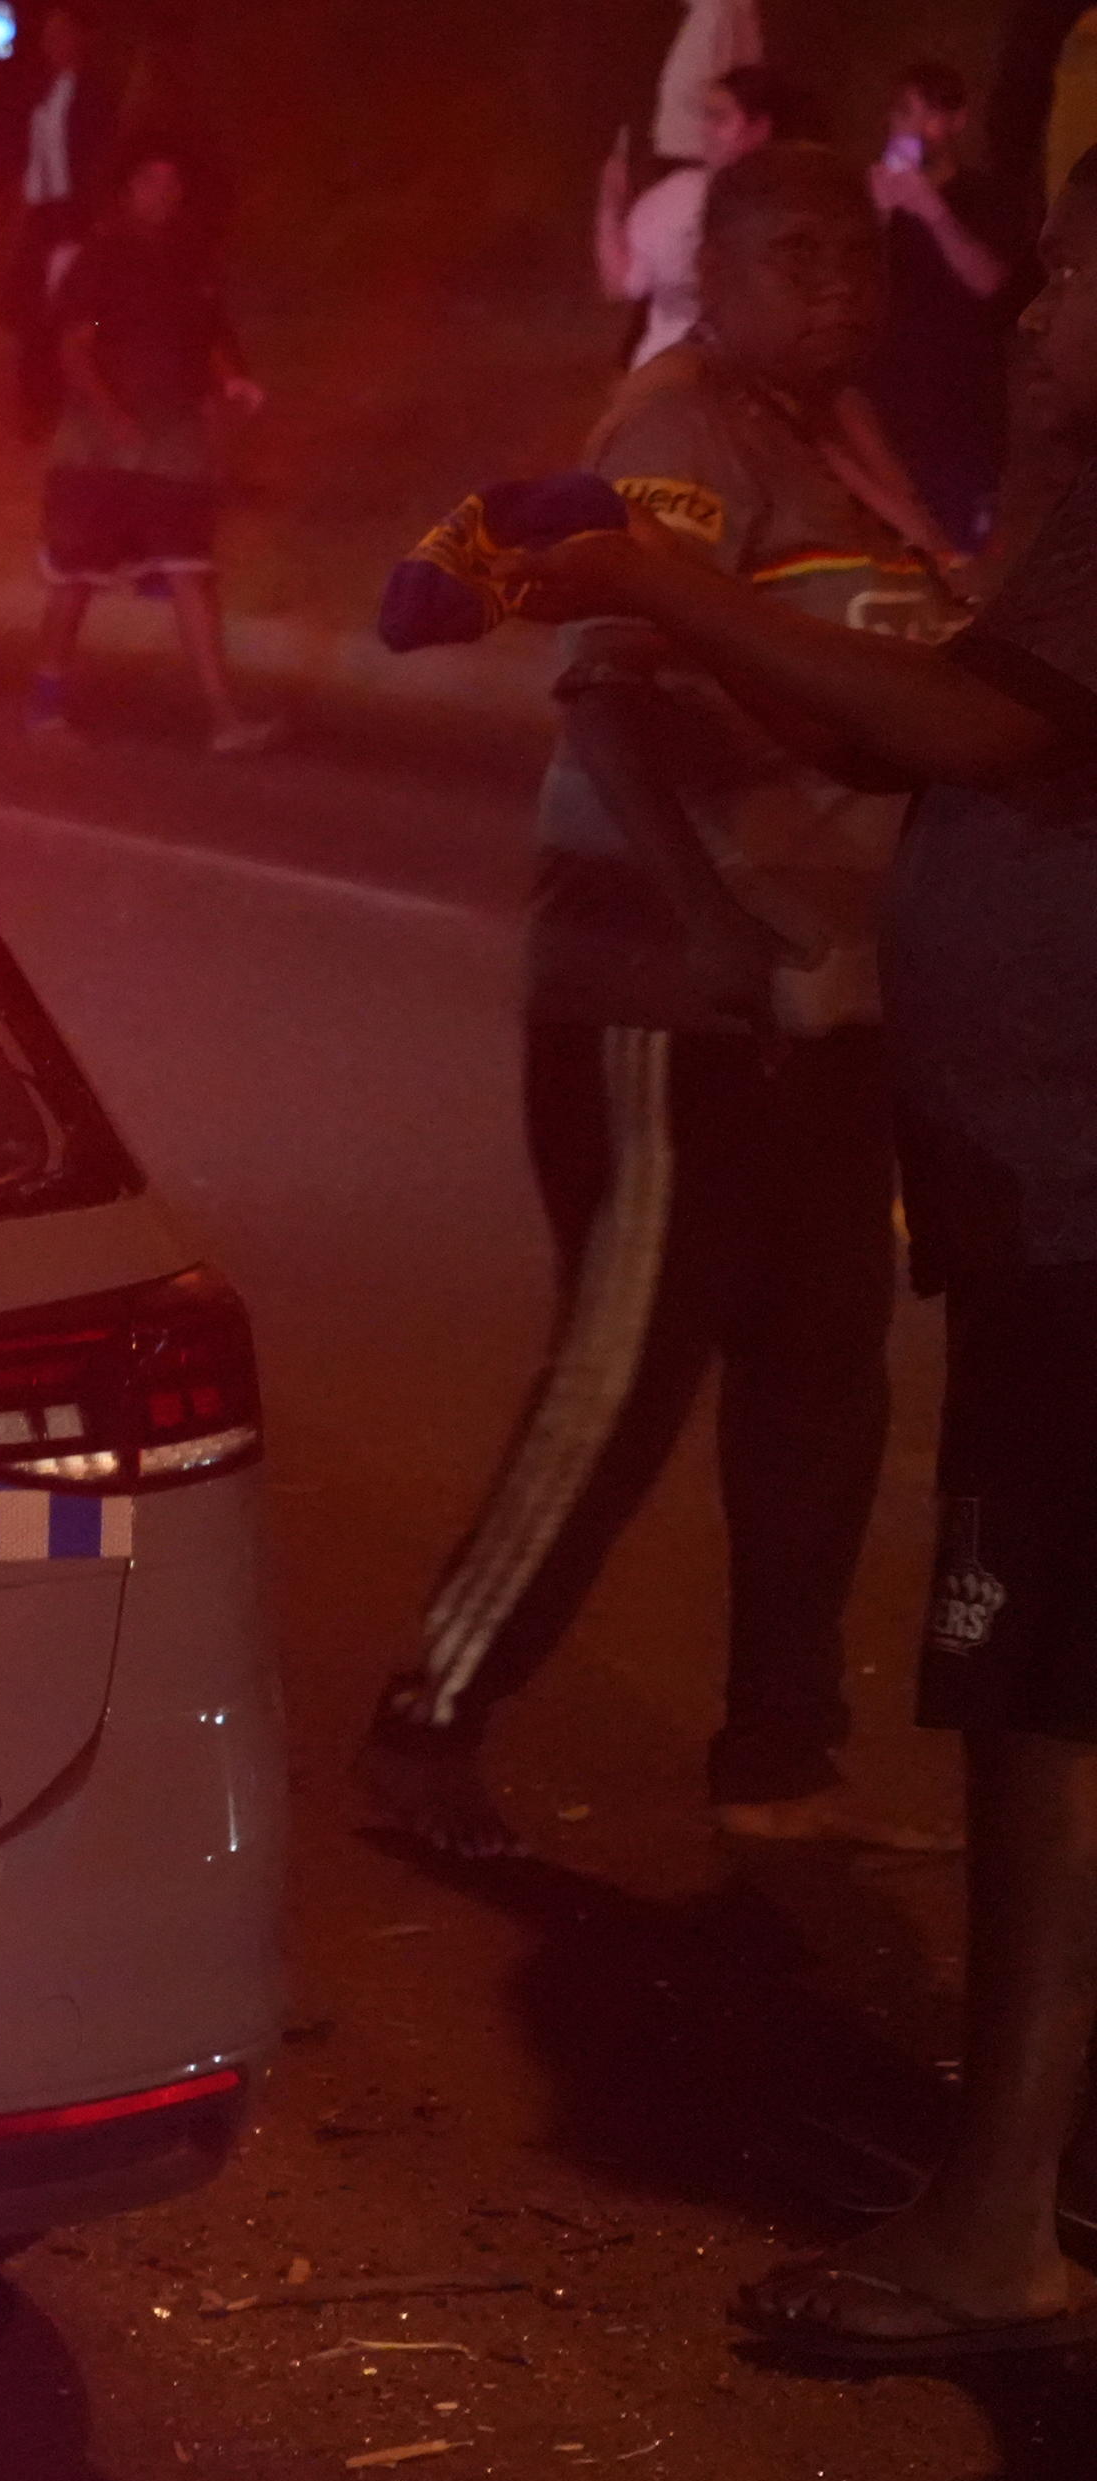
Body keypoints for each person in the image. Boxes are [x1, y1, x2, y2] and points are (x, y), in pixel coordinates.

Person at [488, 155, 1097, 2362]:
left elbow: (966, 727)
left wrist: (661, 579)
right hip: (1017, 1173)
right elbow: (911, 714)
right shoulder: (897, 472)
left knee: (1039, 1710)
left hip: (1073, 1205)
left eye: (1067, 285)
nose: (1013, 319)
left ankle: (991, 2222)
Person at [363, 142, 963, 1866]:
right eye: (797, 254)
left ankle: (779, 1748)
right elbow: (609, 694)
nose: (842, 283)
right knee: (623, 1377)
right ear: (715, 274)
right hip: (676, 993)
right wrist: (709, 924)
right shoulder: (682, 430)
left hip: (828, 994)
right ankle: (429, 1719)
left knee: (820, 1382)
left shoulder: (837, 445)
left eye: (858, 254)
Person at [29, 144, 274, 752]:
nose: (163, 193)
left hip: (173, 437)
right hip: (98, 443)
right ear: (126, 190)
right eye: (149, 181)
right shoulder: (100, 260)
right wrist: (113, 420)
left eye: (172, 183)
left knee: (192, 570)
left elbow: (208, 336)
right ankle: (44, 711)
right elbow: (74, 350)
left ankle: (224, 719)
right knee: (77, 577)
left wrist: (232, 380)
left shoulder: (192, 263)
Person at [870, 61, 1026, 553]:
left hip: (964, 410)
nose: (913, 129)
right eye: (902, 114)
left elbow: (991, 284)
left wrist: (933, 214)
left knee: (962, 549)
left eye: (928, 115)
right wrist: (875, 215)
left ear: (957, 121)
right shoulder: (875, 195)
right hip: (889, 404)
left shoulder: (987, 196)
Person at [601, 64, 816, 372]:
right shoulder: (674, 197)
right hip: (670, 377)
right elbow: (622, 282)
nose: (706, 129)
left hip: (752, 380)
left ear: (759, 129)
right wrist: (610, 208)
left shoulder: (791, 207)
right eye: (706, 117)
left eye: (720, 118)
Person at [0, 0, 119, 440]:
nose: (55, 44)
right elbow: (29, 155)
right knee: (29, 308)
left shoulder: (93, 95)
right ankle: (36, 404)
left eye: (64, 35)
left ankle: (63, 404)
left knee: (68, 313)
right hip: (42, 211)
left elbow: (98, 159)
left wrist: (96, 215)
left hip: (75, 213)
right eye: (50, 36)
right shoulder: (41, 90)